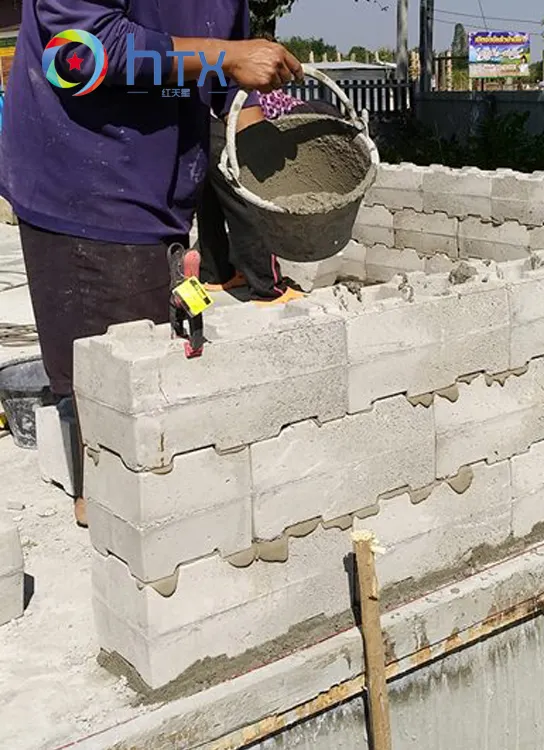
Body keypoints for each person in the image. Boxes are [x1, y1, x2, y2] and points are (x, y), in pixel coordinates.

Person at [0, 0, 302, 527]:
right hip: (83, 181)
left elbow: (223, 82)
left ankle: (143, 502)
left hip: (159, 179)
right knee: (112, 380)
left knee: (157, 359)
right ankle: (112, 516)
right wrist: (229, 57)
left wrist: (269, 167)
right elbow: (82, 51)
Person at [196, 69, 343, 300]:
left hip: (205, 125)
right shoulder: (296, 123)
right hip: (230, 132)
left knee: (211, 204)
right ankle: (269, 288)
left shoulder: (288, 105)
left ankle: (216, 275)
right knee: (251, 211)